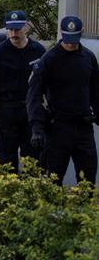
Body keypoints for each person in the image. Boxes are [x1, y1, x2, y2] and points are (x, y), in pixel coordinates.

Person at [27, 16, 98, 185]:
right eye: (67, 40)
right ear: (61, 34)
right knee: (53, 178)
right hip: (58, 127)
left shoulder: (88, 58)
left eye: (74, 40)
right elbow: (34, 95)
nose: (71, 44)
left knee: (87, 179)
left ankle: (84, 211)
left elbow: (96, 91)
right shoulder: (49, 59)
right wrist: (37, 127)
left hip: (83, 127)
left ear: (81, 34)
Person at [0, 10, 46, 171]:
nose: (14, 33)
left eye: (18, 29)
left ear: (26, 27)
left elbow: (48, 84)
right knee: (7, 162)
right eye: (11, 30)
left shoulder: (38, 51)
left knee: (33, 161)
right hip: (7, 111)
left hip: (30, 112)